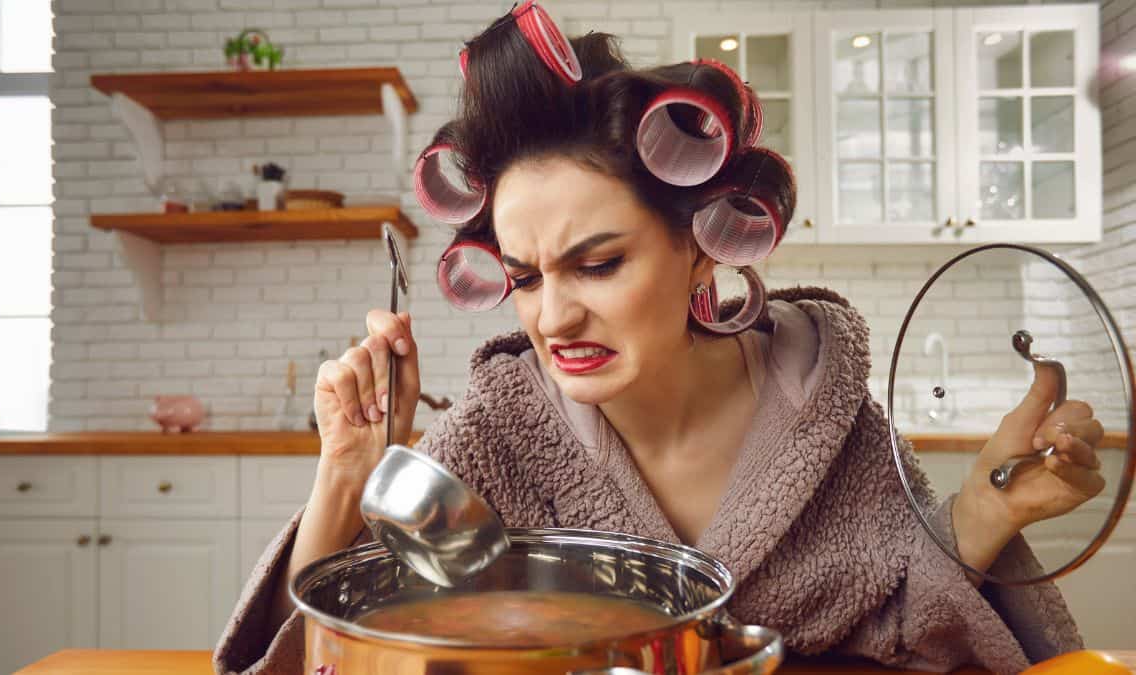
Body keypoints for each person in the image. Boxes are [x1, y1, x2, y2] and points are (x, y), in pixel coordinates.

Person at [213, 4, 1104, 673]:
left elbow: (904, 620)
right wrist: (345, 468)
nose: (551, 318)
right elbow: (328, 655)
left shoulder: (823, 412)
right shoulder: (496, 433)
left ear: (696, 249)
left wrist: (991, 510)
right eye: (524, 276)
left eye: (596, 264)